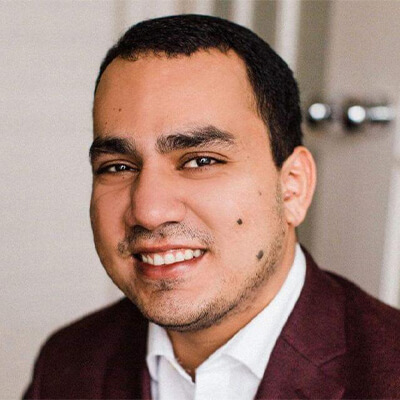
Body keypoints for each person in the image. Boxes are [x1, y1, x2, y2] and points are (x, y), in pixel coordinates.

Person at [24, 14, 400, 399]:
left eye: (200, 161)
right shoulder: (67, 365)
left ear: (292, 187)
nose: (149, 211)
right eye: (118, 167)